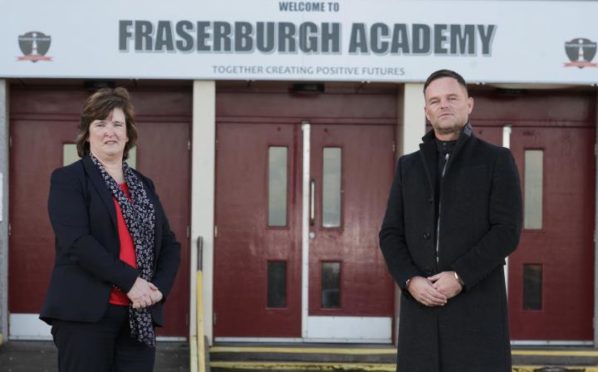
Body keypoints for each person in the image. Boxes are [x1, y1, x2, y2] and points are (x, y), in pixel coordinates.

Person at [379, 69, 522, 372]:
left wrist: (459, 277)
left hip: (477, 316)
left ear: (469, 104)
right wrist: (410, 280)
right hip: (421, 316)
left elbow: (507, 231)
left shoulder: (497, 160)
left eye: (451, 98)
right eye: (435, 100)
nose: (443, 105)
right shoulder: (408, 167)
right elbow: (390, 233)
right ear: (427, 112)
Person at [40, 87, 181, 372]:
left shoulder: (144, 186)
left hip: (137, 316)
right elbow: (77, 243)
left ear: (128, 134)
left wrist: (157, 291)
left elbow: (169, 245)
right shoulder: (69, 179)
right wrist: (131, 282)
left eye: (118, 124)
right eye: (100, 124)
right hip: (85, 316)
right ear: (87, 132)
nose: (110, 131)